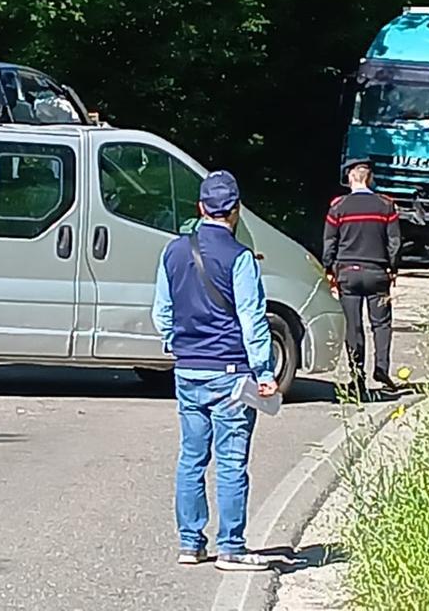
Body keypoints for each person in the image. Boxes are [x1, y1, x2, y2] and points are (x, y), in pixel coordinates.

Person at [151, 170, 277, 572]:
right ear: (236, 210)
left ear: (201, 207)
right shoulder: (239, 258)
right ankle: (231, 547)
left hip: (188, 369)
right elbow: (252, 318)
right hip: (231, 371)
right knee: (230, 460)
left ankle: (190, 544)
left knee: (191, 457)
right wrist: (264, 370)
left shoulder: (172, 251)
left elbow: (161, 312)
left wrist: (177, 343)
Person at [322, 158, 402, 392]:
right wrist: (393, 267)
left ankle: (357, 377)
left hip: (348, 274)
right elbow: (395, 242)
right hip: (377, 274)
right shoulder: (386, 206)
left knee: (353, 326)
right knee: (381, 324)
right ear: (370, 178)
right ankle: (382, 369)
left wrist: (329, 268)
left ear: (350, 178)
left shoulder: (338, 207)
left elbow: (329, 242)